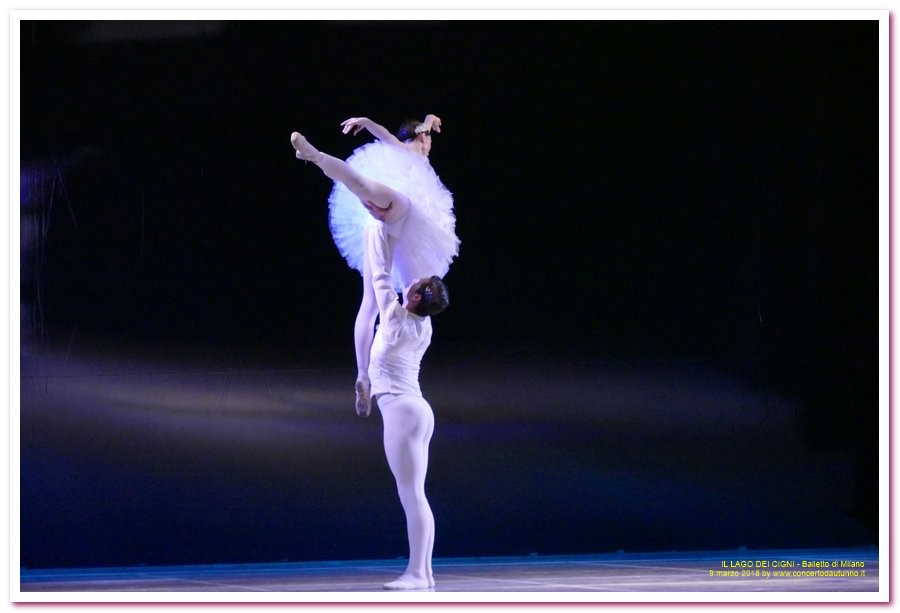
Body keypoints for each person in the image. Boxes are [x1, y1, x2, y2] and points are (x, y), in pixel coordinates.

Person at [291, 115, 459, 417]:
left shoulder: (407, 152)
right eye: (428, 139)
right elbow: (391, 135)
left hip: (383, 226)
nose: (431, 144)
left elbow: (386, 134)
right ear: (421, 138)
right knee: (367, 190)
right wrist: (373, 122)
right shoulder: (409, 151)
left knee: (371, 304)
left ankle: (363, 374)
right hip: (399, 221)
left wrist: (372, 122)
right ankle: (314, 156)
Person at [363, 221, 448, 590]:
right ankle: (424, 573)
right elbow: (404, 285)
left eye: (416, 284)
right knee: (416, 494)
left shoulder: (397, 319)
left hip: (402, 409)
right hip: (416, 410)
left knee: (411, 495)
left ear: (415, 298)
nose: (411, 281)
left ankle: (417, 572)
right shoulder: (423, 326)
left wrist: (377, 231)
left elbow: (380, 274)